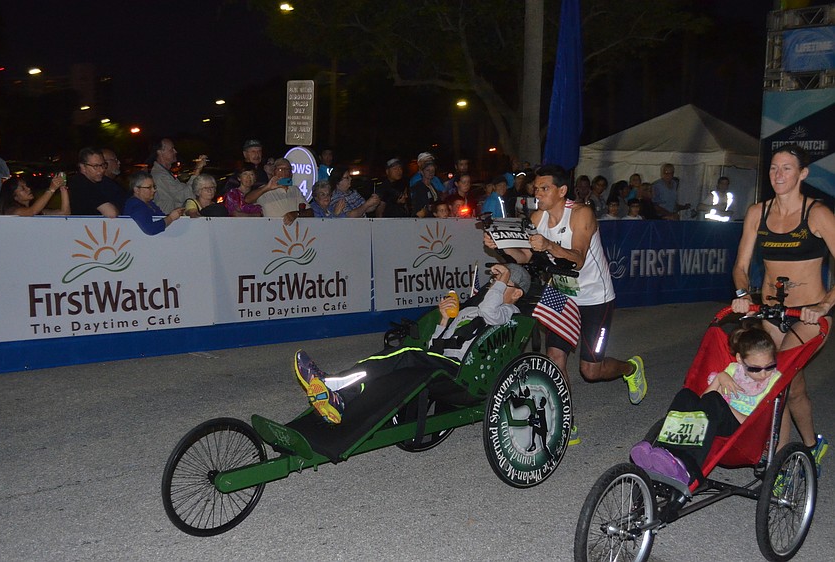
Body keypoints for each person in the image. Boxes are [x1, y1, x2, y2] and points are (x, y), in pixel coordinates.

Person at [485, 164, 646, 445]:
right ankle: (565, 419)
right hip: (560, 291)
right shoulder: (537, 217)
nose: (538, 193)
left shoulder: (581, 214)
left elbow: (578, 257)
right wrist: (499, 245)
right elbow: (523, 255)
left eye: (544, 188)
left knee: (590, 371)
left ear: (562, 191)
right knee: (555, 357)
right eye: (536, 188)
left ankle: (631, 369)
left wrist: (548, 245)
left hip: (596, 296)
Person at [293, 263, 531, 424]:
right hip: (443, 361)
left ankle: (332, 383)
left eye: (501, 283)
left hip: (463, 373)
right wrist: (444, 320)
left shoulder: (508, 312)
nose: (493, 286)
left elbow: (490, 309)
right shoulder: (470, 310)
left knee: (406, 353)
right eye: (494, 281)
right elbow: (436, 345)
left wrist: (505, 279)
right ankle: (343, 399)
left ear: (516, 293)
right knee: (391, 365)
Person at [731, 143, 830, 473]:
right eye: (774, 168)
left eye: (787, 168)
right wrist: (744, 292)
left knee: (779, 381)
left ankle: (791, 456)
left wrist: (826, 303)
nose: (778, 174)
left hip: (809, 316)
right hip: (773, 314)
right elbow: (741, 265)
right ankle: (799, 451)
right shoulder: (757, 213)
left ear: (803, 173)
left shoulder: (816, 213)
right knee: (791, 385)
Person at [630, 324, 780, 486]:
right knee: (686, 396)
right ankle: (662, 454)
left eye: (769, 366)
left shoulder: (773, 380)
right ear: (739, 360)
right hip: (717, 418)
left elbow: (755, 422)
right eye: (755, 369)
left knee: (714, 399)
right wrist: (719, 378)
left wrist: (723, 404)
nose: (763, 374)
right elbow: (702, 402)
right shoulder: (732, 370)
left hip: (744, 429)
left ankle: (689, 467)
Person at [245, 157, 312, 224]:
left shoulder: (295, 190)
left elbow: (310, 212)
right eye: (280, 169)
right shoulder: (265, 190)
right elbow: (247, 199)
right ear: (273, 173)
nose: (283, 172)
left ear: (291, 174)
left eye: (287, 169)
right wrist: (267, 188)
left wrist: (296, 214)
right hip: (273, 231)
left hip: (294, 232)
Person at [149, 138, 207, 214]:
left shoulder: (165, 173)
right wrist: (197, 170)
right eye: (171, 149)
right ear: (160, 152)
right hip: (169, 221)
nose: (175, 151)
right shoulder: (160, 176)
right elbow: (185, 196)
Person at [68, 147, 120, 217]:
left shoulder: (95, 181)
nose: (101, 170)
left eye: (103, 165)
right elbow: (111, 213)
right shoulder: (82, 184)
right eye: (96, 166)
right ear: (83, 167)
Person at [0, 175, 70, 216]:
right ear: (14, 196)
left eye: (26, 186)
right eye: (23, 188)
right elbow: (32, 211)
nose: (28, 189)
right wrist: (51, 189)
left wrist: (63, 189)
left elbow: (64, 213)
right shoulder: (12, 212)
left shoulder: (39, 211)